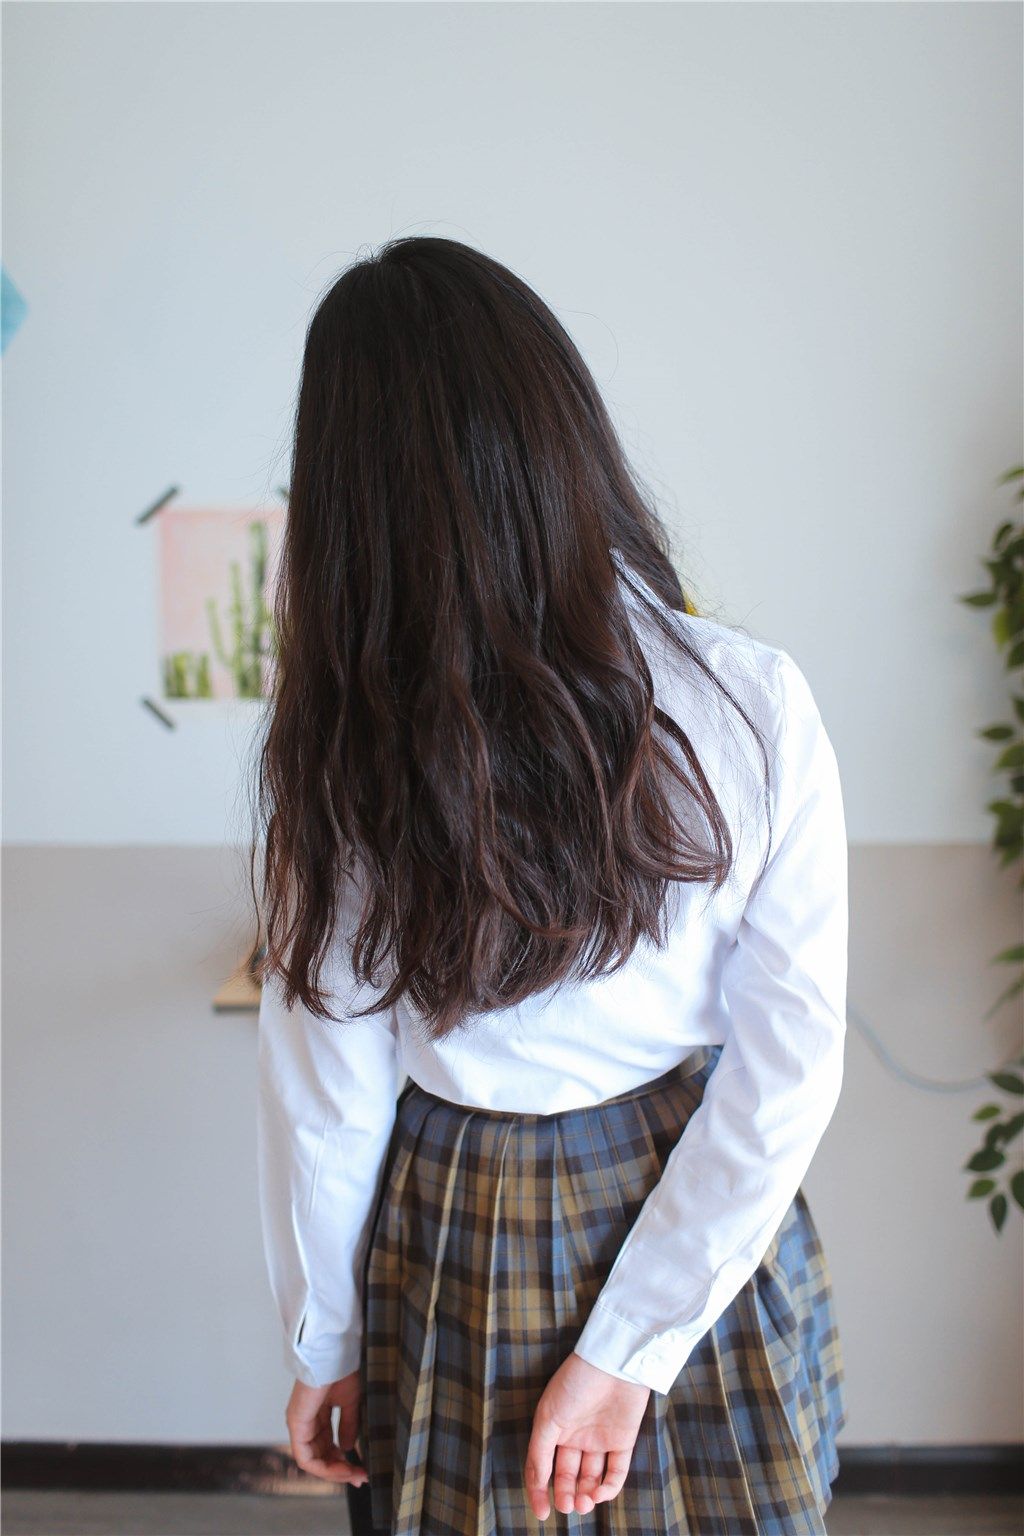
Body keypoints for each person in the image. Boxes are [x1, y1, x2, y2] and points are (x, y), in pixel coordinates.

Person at [252, 235, 848, 1536]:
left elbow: (328, 1098)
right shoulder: (749, 701)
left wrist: (324, 1339)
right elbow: (787, 1069)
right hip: (692, 1202)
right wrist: (629, 1351)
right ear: (563, 433)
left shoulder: (348, 748)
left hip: (460, 1224)